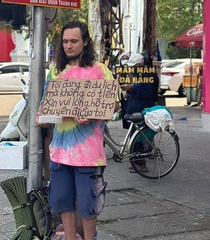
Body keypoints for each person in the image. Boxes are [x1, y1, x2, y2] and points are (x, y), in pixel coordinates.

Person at [36, 21, 119, 240]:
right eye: (65, 41)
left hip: (88, 155)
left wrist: (93, 115)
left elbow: (115, 104)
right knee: (63, 203)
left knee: (88, 206)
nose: (68, 46)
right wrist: (42, 118)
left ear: (85, 42)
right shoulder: (56, 71)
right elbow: (45, 104)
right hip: (60, 153)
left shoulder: (100, 71)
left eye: (74, 41)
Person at [121, 53, 156, 173]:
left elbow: (147, 93)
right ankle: (136, 162)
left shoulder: (147, 75)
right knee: (133, 139)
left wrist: (132, 88)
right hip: (133, 108)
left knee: (139, 139)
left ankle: (142, 164)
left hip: (141, 110)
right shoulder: (136, 75)